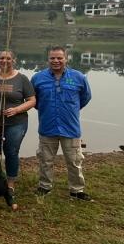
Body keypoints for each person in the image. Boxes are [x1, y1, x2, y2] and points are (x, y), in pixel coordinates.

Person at [32, 46, 92, 200]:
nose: (56, 61)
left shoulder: (79, 77)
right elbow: (34, 101)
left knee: (74, 161)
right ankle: (45, 186)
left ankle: (76, 190)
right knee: (45, 160)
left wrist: (70, 110)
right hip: (47, 126)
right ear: (48, 59)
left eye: (59, 58)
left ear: (66, 58)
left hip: (70, 127)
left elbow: (85, 97)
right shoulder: (38, 78)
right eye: (52, 58)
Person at [0, 50, 36, 193]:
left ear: (14, 60)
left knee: (11, 151)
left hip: (16, 123)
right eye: (1, 58)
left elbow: (32, 101)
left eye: (8, 58)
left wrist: (16, 109)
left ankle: (11, 182)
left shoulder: (22, 79)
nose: (4, 61)